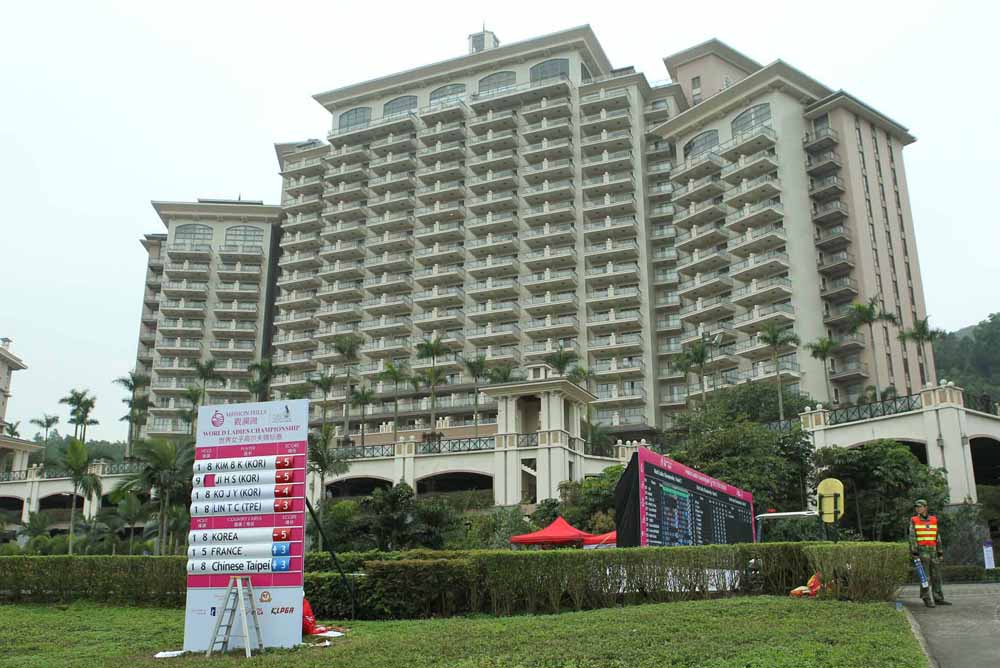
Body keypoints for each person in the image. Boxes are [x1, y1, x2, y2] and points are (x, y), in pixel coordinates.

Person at [909, 499, 951, 608]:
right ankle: (926, 598)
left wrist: (940, 551)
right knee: (925, 577)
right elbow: (912, 537)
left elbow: (937, 537)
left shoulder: (933, 519)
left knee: (937, 576)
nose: (918, 508)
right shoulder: (914, 520)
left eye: (920, 506)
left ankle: (938, 598)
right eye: (916, 507)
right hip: (922, 551)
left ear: (925, 507)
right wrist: (914, 551)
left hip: (933, 551)